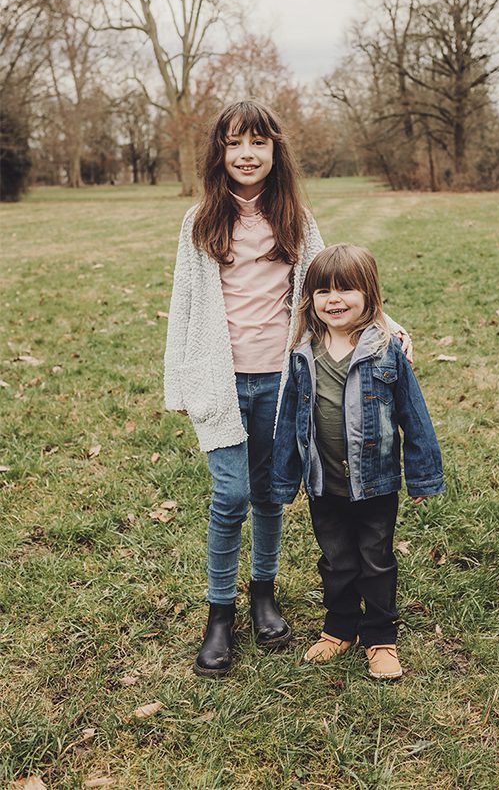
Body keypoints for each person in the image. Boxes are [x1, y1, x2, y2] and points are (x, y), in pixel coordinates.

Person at [164, 101, 323, 676]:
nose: (247, 154)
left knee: (271, 492)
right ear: (220, 153)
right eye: (235, 143)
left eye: (258, 142)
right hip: (220, 380)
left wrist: (386, 323)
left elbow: (330, 285)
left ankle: (263, 592)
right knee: (230, 495)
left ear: (275, 151)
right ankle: (220, 612)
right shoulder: (200, 221)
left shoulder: (297, 220)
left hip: (280, 382)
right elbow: (184, 305)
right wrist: (178, 380)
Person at [271, 243, 443, 681]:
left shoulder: (387, 352)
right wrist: (284, 479)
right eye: (323, 291)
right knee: (336, 560)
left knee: (376, 560)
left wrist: (423, 477)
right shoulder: (302, 354)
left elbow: (414, 416)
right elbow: (290, 419)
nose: (334, 299)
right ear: (310, 299)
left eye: (346, 289)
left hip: (376, 484)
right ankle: (339, 628)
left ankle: (381, 638)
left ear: (369, 295)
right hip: (324, 484)